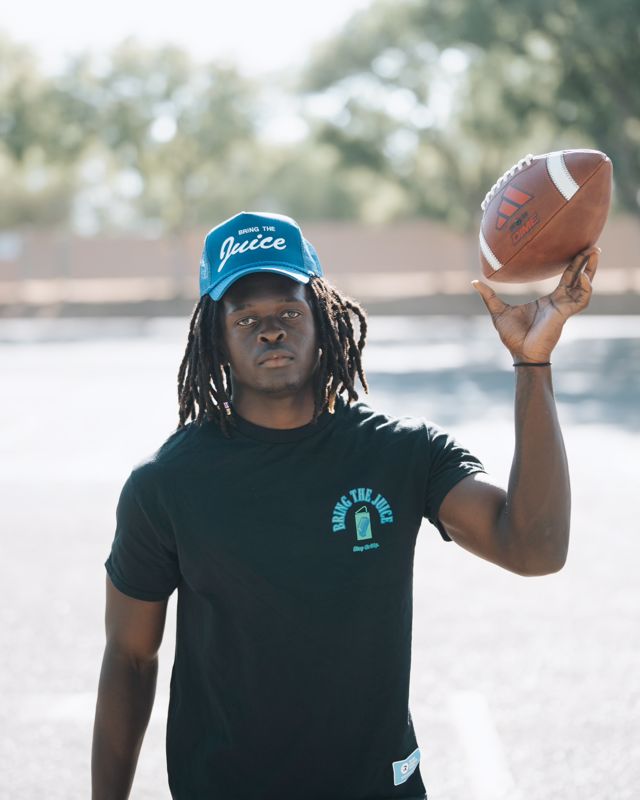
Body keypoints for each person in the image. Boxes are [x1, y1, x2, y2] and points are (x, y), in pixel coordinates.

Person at [91, 210, 599, 800]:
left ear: (322, 316)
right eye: (246, 318)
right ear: (215, 336)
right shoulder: (165, 484)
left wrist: (533, 363)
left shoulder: (401, 452)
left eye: (288, 312)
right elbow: (130, 658)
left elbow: (536, 550)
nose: (270, 331)